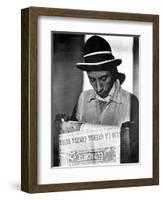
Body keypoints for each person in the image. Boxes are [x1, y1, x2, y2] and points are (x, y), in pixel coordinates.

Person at [55, 35, 139, 162]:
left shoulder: (131, 101)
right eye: (92, 80)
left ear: (113, 72)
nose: (98, 88)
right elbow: (72, 137)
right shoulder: (83, 98)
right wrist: (65, 124)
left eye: (104, 78)